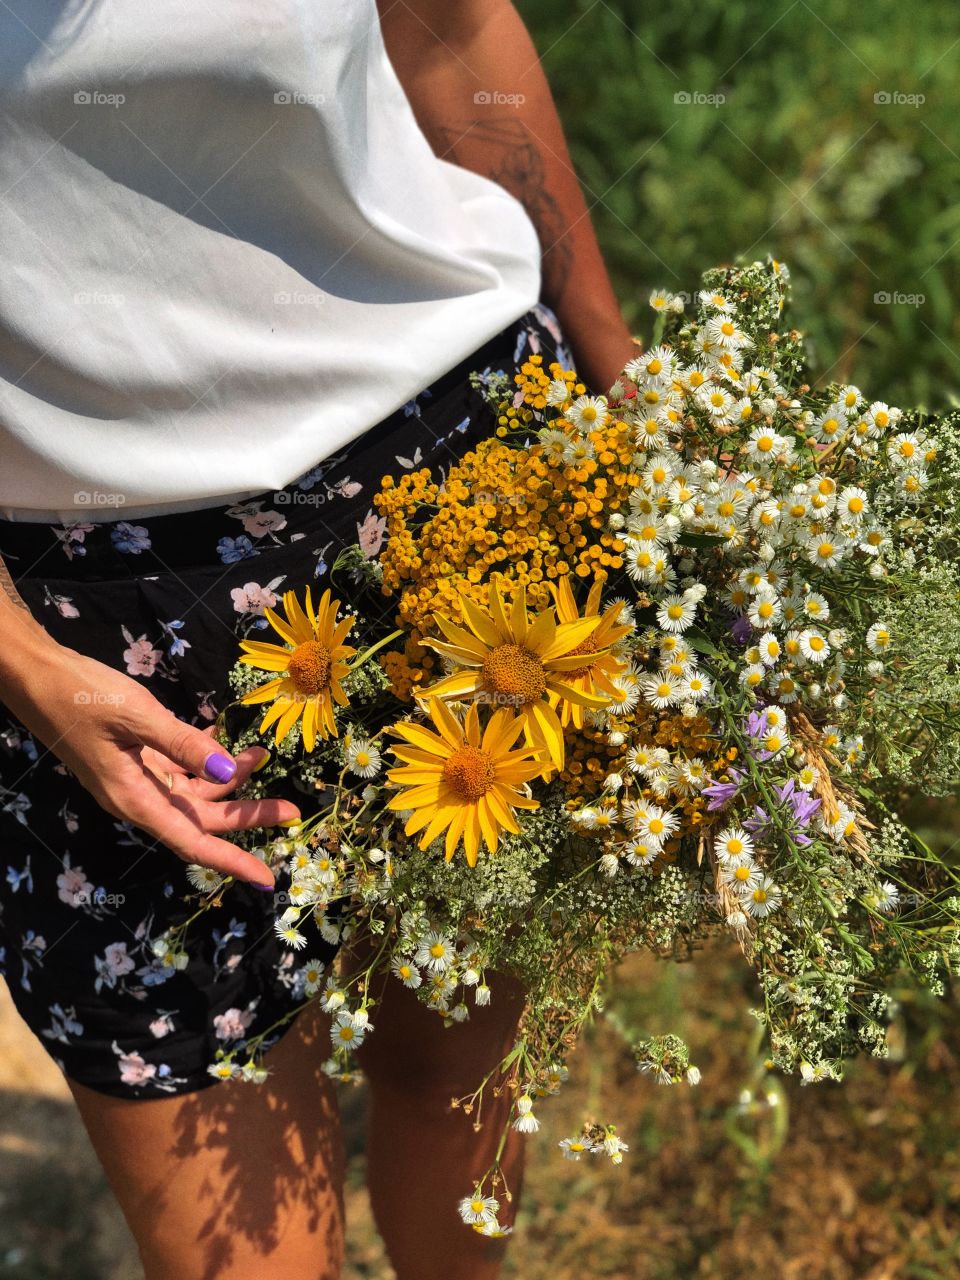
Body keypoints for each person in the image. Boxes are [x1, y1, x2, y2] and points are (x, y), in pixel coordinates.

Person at [0, 2, 636, 1276]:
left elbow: (452, 36)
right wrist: (17, 659)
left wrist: (627, 398)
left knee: (454, 1057)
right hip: (100, 619)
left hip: (459, 490)